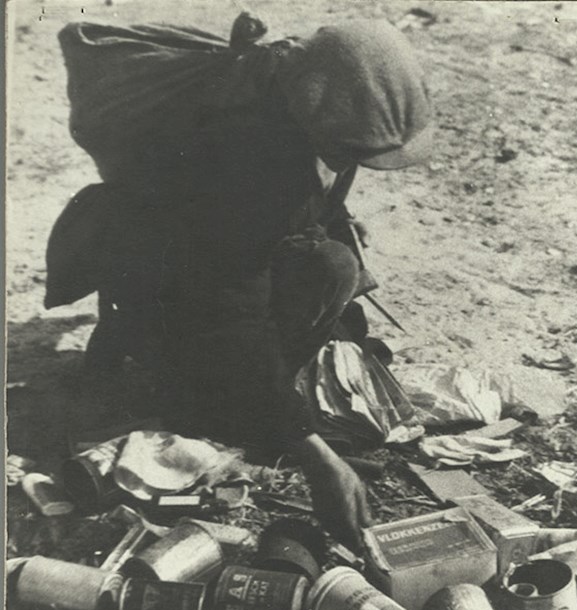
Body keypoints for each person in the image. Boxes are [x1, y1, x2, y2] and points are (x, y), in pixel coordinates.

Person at [46, 16, 432, 550]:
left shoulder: (297, 107)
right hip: (162, 277)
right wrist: (313, 453)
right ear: (316, 113)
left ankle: (243, 403)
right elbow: (230, 317)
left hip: (213, 260)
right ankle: (191, 390)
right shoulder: (245, 153)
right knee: (215, 394)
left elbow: (297, 222)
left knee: (334, 265)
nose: (353, 163)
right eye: (354, 151)